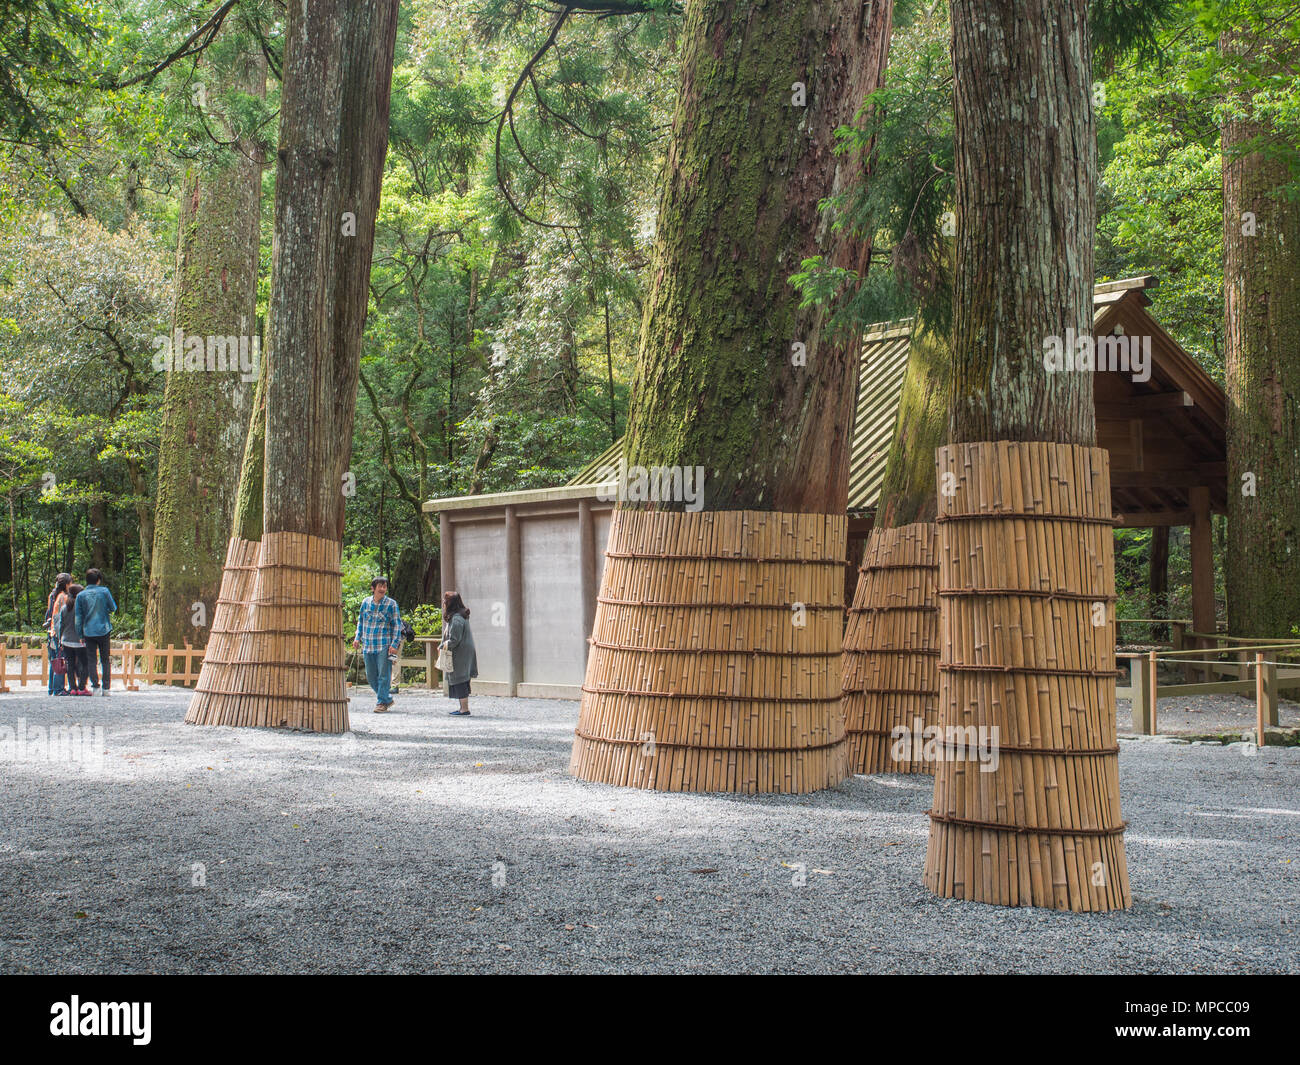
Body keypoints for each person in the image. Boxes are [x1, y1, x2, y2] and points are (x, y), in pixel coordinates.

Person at [352, 576, 402, 713]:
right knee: (371, 676)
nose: (382, 589)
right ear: (373, 588)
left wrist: (394, 644)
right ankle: (386, 698)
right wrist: (357, 638)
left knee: (384, 675)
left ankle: (381, 703)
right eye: (379, 586)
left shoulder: (391, 604)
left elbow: (397, 625)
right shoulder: (365, 603)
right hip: (368, 644)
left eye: (384, 586)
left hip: (384, 644)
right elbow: (361, 621)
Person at [75, 568, 117, 695]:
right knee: (105, 659)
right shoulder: (104, 592)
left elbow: (78, 617)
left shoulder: (80, 595)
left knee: (91, 660)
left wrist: (80, 634)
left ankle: (95, 686)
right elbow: (113, 607)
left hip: (88, 631)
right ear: (98, 580)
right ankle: (106, 688)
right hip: (104, 629)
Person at [440, 591, 477, 717]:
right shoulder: (460, 616)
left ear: (450, 603)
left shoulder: (456, 618)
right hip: (464, 651)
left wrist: (441, 646)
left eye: (445, 601)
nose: (443, 603)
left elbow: (454, 639)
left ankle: (464, 709)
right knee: (462, 678)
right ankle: (463, 707)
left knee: (460, 677)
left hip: (460, 653)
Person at [58, 584, 90, 694]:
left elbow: (61, 625)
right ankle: (82, 687)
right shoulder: (83, 608)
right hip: (80, 641)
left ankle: (72, 688)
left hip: (66, 640)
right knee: (85, 663)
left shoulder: (64, 608)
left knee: (70, 664)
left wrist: (59, 640)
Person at [44, 573, 71, 695]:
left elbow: (49, 613)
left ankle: (51, 688)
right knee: (60, 659)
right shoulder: (62, 597)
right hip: (58, 631)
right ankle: (58, 689)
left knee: (54, 660)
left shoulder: (53, 595)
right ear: (66, 584)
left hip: (52, 630)